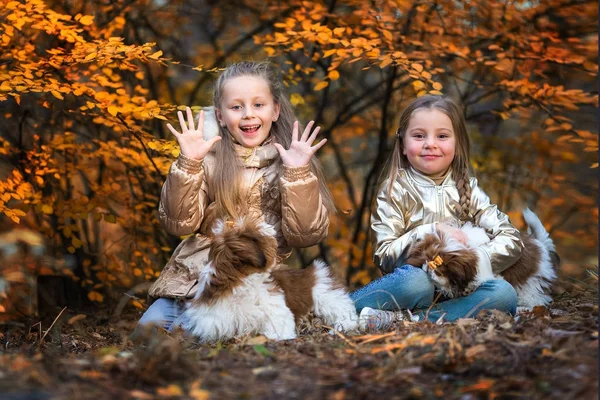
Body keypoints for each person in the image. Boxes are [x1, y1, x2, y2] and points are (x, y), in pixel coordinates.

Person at [135, 60, 334, 335]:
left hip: (246, 283)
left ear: (275, 110)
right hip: (191, 278)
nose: (248, 115)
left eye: (258, 105)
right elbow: (178, 224)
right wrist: (188, 164)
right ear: (220, 116)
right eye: (236, 107)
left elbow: (307, 235)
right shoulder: (208, 158)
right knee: (146, 333)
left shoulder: (289, 163)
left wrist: (298, 174)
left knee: (188, 336)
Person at [351, 95, 522, 329]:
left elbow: (511, 239)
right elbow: (384, 255)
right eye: (419, 136)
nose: (430, 144)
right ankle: (344, 306)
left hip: (459, 288)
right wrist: (430, 230)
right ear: (402, 144)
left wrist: (473, 259)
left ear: (457, 143)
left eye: (442, 136)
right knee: (415, 282)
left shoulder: (468, 189)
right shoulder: (394, 189)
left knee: (504, 294)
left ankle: (403, 321)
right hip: (413, 286)